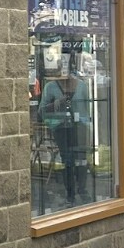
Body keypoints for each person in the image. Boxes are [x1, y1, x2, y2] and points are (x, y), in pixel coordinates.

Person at [40, 68, 91, 203]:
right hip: (60, 128)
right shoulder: (50, 87)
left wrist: (87, 124)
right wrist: (57, 104)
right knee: (67, 158)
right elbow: (42, 110)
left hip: (80, 126)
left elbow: (88, 108)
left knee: (81, 158)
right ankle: (70, 193)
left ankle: (82, 189)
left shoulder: (82, 86)